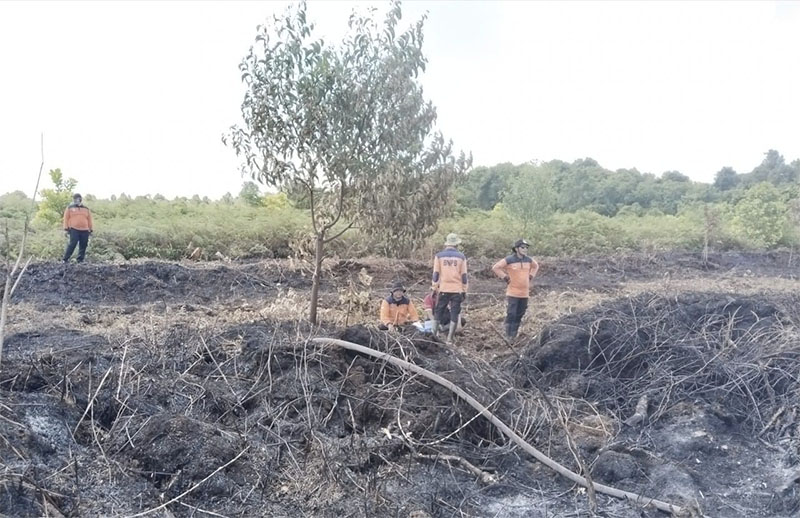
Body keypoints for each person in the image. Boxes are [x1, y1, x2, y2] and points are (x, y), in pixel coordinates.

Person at [492, 238, 539, 339]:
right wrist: (505, 277)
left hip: (524, 293)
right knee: (511, 313)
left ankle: (514, 335)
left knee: (520, 314)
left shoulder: (529, 260)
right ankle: (508, 335)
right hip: (513, 292)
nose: (525, 249)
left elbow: (536, 266)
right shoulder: (509, 259)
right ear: (516, 249)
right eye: (523, 247)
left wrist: (531, 276)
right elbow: (496, 267)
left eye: (526, 248)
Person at [431, 233, 468, 344]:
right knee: (454, 313)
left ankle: (433, 335)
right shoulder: (461, 257)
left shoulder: (439, 256)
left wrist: (434, 287)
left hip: (443, 288)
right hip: (457, 289)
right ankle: (449, 339)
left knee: (438, 311)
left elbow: (436, 274)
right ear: (456, 244)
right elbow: (464, 276)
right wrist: (464, 290)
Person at [62, 193, 93, 263]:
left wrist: (90, 229)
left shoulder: (86, 209)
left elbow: (89, 219)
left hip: (85, 229)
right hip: (74, 229)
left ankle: (80, 259)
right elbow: (66, 218)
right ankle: (65, 259)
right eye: (75, 199)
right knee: (72, 243)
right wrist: (66, 229)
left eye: (77, 199)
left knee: (84, 244)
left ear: (80, 199)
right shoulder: (70, 208)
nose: (76, 200)